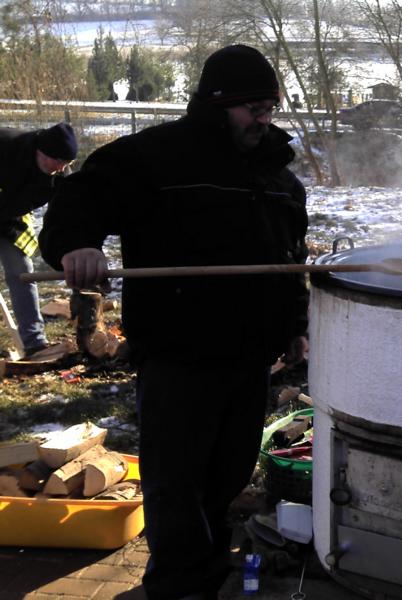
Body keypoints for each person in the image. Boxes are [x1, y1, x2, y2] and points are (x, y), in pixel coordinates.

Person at [39, 44, 309, 600]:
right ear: (218, 104)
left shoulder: (278, 178)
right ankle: (177, 584)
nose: (264, 120)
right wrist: (78, 244)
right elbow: (81, 195)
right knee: (176, 479)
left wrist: (295, 325)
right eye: (254, 109)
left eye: (270, 108)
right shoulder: (157, 157)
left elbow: (289, 261)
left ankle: (208, 569)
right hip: (179, 352)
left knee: (229, 471)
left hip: (249, 354)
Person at [0, 122, 77, 357]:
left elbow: (65, 216)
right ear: (41, 152)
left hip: (11, 219)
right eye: (58, 161)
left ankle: (34, 341)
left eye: (66, 163)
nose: (60, 167)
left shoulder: (61, 176)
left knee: (22, 273)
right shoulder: (8, 146)